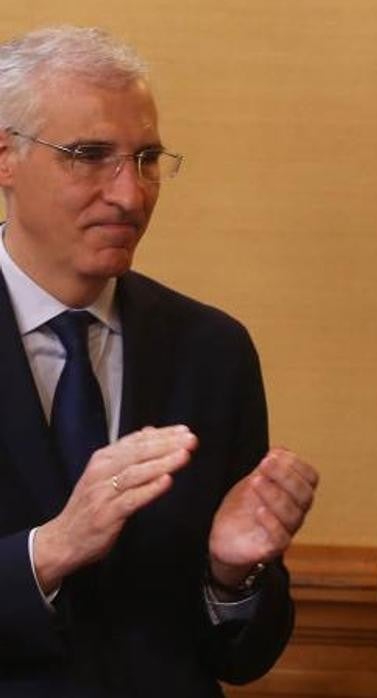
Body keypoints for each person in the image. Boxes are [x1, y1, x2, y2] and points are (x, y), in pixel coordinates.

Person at [0, 26, 318, 696]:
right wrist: (51, 550)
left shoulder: (213, 350)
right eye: (90, 155)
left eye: (146, 159)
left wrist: (231, 575)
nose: (131, 195)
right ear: (6, 159)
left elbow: (242, 657)